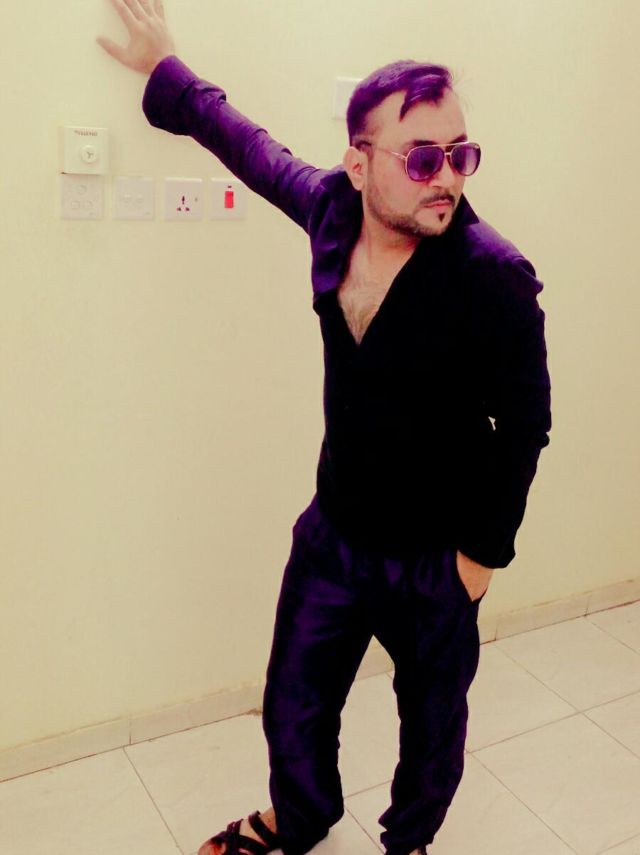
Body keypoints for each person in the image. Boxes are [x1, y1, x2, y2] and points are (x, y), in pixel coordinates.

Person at [97, 2, 552, 854]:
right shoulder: (331, 211)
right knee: (293, 704)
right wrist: (166, 69)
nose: (447, 178)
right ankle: (300, 816)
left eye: (460, 154)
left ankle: (408, 841)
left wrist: (478, 561)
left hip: (434, 558)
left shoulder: (493, 274)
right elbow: (252, 148)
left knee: (432, 735)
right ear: (359, 162)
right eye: (422, 157)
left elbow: (526, 424)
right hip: (334, 533)